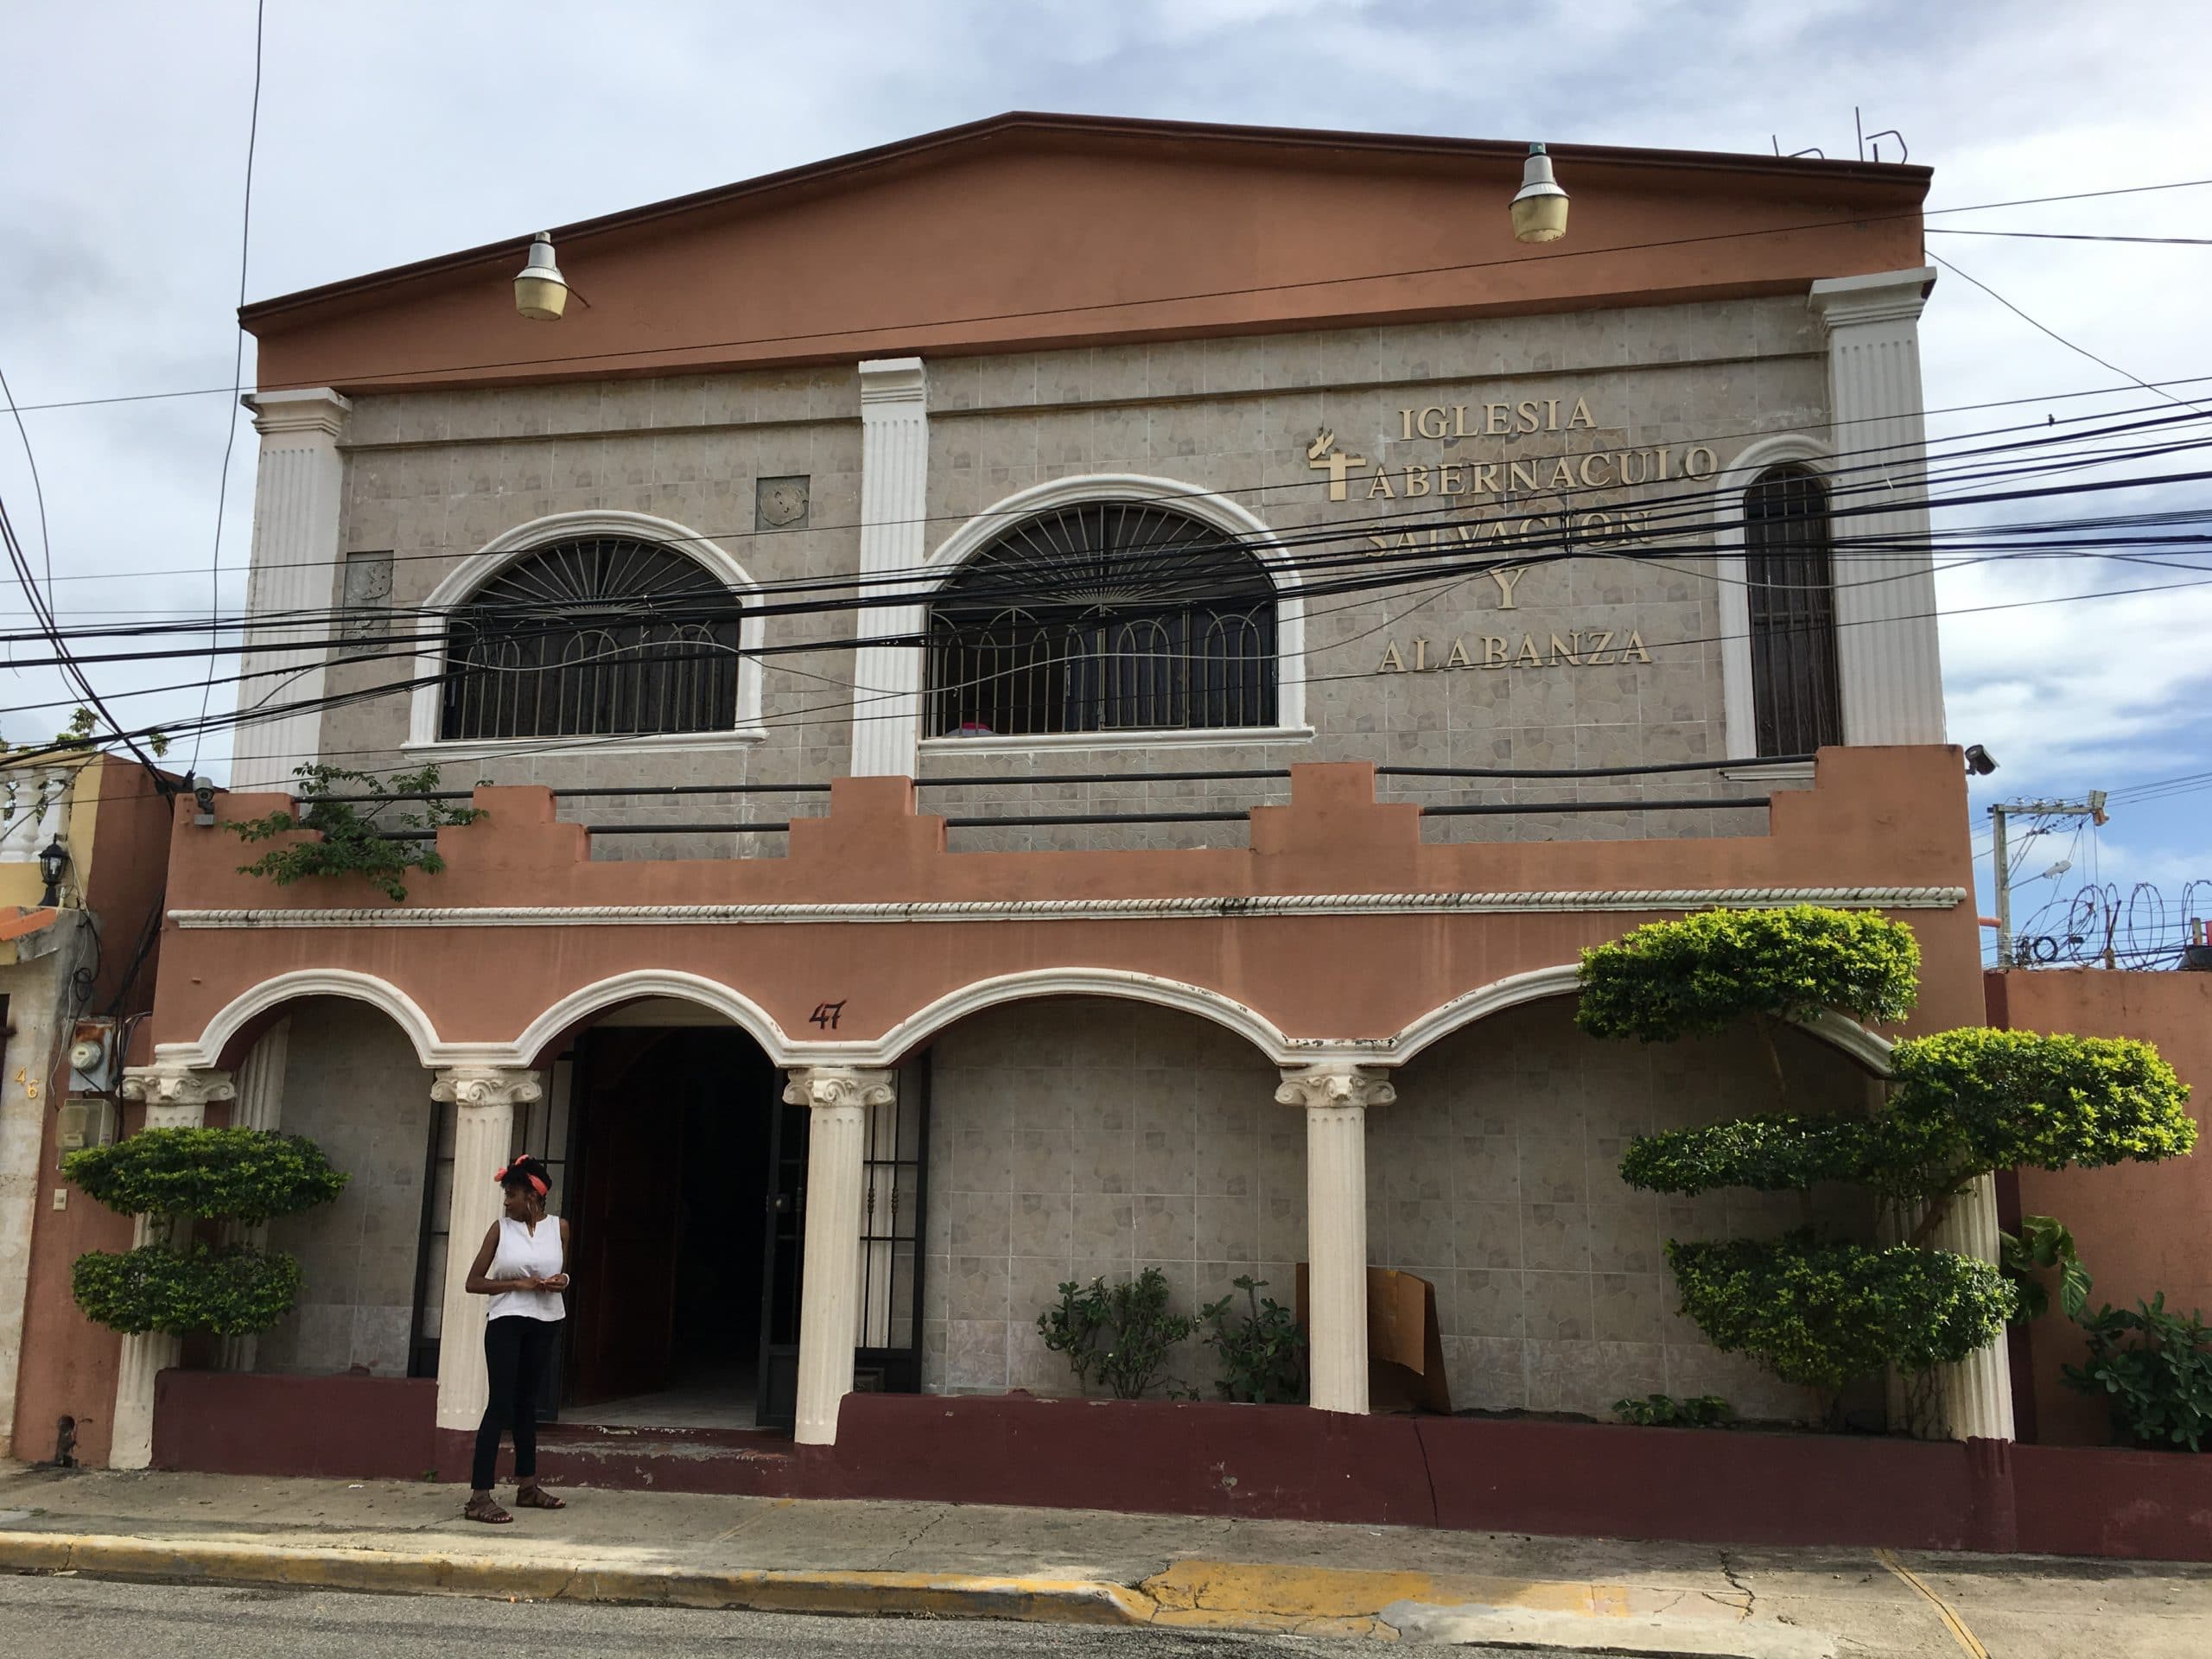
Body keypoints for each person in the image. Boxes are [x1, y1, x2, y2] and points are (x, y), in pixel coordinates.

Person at [462, 1154, 570, 1523]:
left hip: (545, 1320)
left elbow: (563, 1272)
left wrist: (561, 1282)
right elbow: (473, 1282)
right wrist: (516, 1284)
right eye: (507, 1194)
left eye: (512, 1194)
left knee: (527, 1403)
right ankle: (479, 1496)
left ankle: (527, 1486)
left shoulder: (560, 1228)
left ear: (533, 1196)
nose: (507, 1202)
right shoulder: (500, 1230)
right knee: (501, 1404)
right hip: (506, 1320)